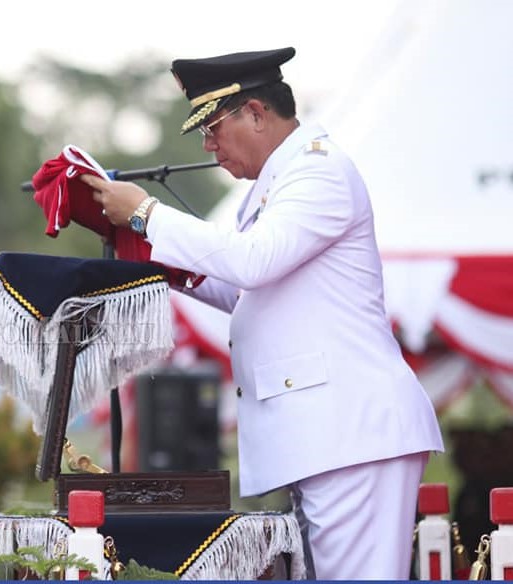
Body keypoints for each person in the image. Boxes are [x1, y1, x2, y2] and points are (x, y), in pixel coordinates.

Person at [81, 47, 444, 579]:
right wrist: (157, 260)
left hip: (349, 433)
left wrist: (146, 212)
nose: (209, 146)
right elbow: (242, 290)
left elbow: (252, 262)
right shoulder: (278, 183)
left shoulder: (316, 172)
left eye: (213, 128)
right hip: (329, 437)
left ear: (255, 113)